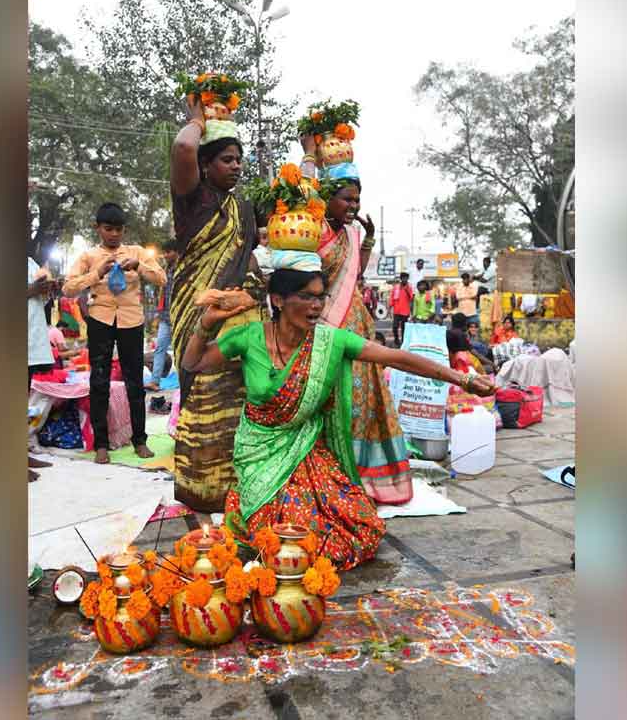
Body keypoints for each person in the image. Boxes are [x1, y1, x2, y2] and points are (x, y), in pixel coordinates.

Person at [180, 267, 495, 570]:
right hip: (257, 449)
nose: (317, 305)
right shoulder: (249, 337)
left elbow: (398, 358)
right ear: (278, 300)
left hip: (305, 447)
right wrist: (207, 324)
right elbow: (193, 363)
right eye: (306, 296)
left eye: (321, 297)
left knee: (357, 525)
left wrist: (463, 379)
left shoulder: (331, 342)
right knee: (282, 535)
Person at [167, 91, 263, 511]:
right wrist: (198, 117)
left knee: (237, 400)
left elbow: (251, 256)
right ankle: (201, 489)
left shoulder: (243, 207)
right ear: (205, 165)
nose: (237, 166)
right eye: (227, 159)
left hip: (240, 316)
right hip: (196, 310)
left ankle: (236, 486)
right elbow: (184, 146)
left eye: (239, 159)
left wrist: (252, 293)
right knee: (201, 392)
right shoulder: (192, 198)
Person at [304, 149, 415, 505]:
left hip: (355, 322)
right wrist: (309, 153)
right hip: (319, 322)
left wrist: (366, 239)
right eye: (346, 199)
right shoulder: (313, 230)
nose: (353, 206)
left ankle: (359, 471)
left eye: (357, 199)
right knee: (326, 400)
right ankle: (325, 471)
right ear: (327, 198)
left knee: (361, 402)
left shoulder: (351, 233)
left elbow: (356, 273)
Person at [62, 203, 166, 464]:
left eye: (118, 229)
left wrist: (139, 266)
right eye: (108, 229)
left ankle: (140, 440)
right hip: (100, 319)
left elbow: (161, 278)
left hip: (132, 320)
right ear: (98, 228)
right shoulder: (88, 256)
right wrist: (96, 273)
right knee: (99, 382)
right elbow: (68, 288)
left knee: (134, 382)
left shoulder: (137, 252)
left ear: (124, 230)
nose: (113, 234)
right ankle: (101, 444)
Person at [27, 255, 57, 480]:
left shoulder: (29, 262)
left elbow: (41, 299)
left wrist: (48, 289)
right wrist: (31, 289)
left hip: (31, 337)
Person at [145, 238, 179, 390]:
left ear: (177, 252)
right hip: (166, 317)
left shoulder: (183, 269)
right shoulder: (165, 269)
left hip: (180, 316)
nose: (165, 255)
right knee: (160, 348)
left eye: (168, 252)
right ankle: (155, 381)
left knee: (181, 350)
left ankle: (185, 382)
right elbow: (162, 292)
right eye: (164, 252)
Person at [389, 272, 413, 346]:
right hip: (397, 311)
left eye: (406, 278)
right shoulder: (396, 287)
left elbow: (411, 297)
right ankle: (396, 339)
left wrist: (406, 289)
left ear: (407, 279)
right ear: (401, 278)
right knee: (395, 327)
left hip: (405, 311)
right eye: (403, 278)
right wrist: (390, 306)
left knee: (404, 328)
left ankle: (403, 341)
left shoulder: (409, 287)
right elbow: (392, 297)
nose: (404, 279)